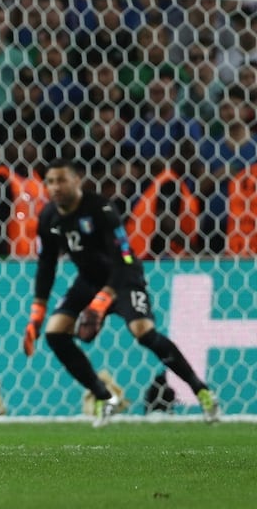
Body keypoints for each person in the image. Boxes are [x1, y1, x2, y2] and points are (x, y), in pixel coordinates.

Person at [23, 159, 220, 427]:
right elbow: (46, 265)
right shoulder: (48, 217)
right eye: (50, 181)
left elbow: (123, 255)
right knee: (55, 333)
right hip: (89, 280)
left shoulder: (101, 208)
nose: (55, 187)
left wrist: (104, 299)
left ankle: (202, 391)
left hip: (123, 276)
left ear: (77, 180)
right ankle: (105, 398)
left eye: (61, 180)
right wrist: (37, 312)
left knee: (143, 332)